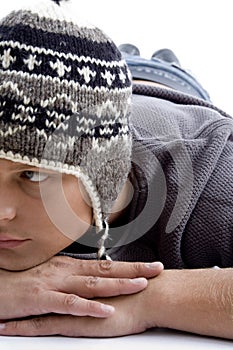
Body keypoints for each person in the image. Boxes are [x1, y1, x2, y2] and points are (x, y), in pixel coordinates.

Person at [0, 0, 233, 340]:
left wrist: (149, 299)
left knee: (162, 68)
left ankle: (160, 65)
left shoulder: (210, 174)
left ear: (102, 174)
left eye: (32, 174)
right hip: (105, 103)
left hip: (168, 92)